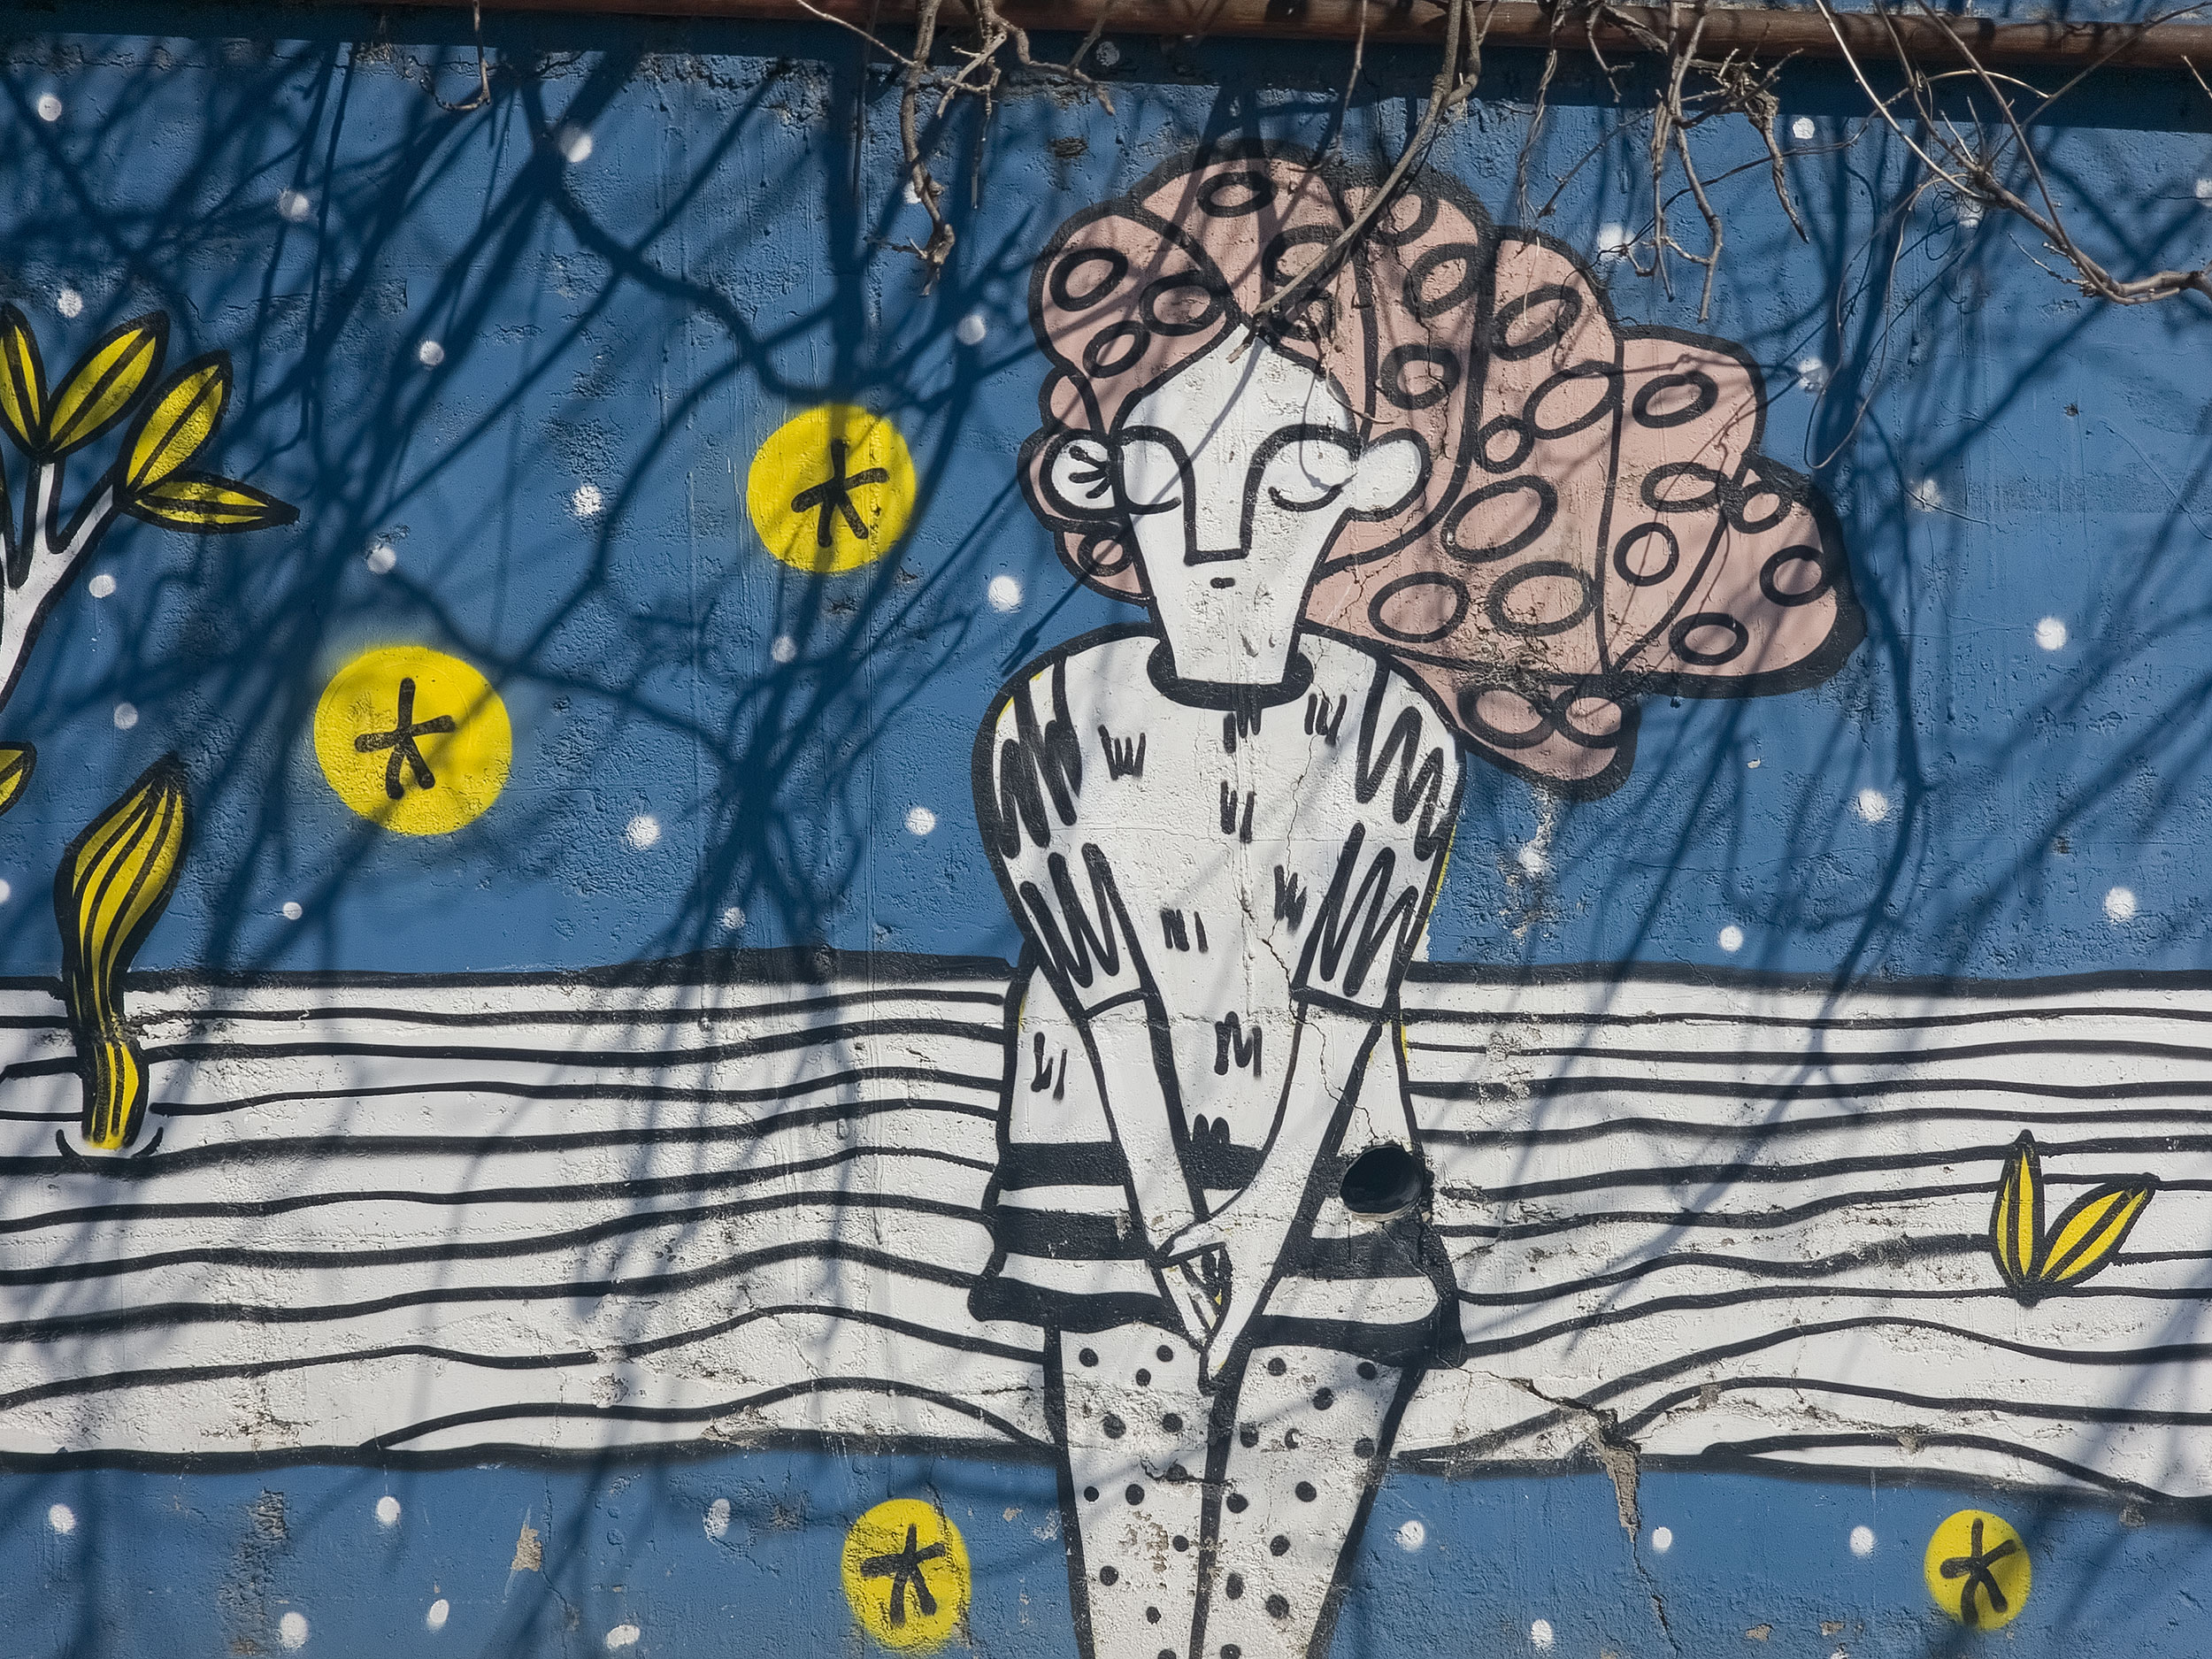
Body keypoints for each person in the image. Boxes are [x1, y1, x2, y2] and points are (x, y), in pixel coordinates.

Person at [968, 142, 1862, 1659]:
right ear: (1099, 485)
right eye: (1169, 479)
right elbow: (1105, 996)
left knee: (1269, 1606)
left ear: (1372, 487)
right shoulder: (1051, 724)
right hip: (1097, 1184)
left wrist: (1256, 1225)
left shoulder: (1388, 732)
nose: (1223, 531)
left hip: (1336, 1194)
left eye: (1287, 478)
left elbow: (1341, 1005)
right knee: (1131, 1599)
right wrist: (1182, 1221)